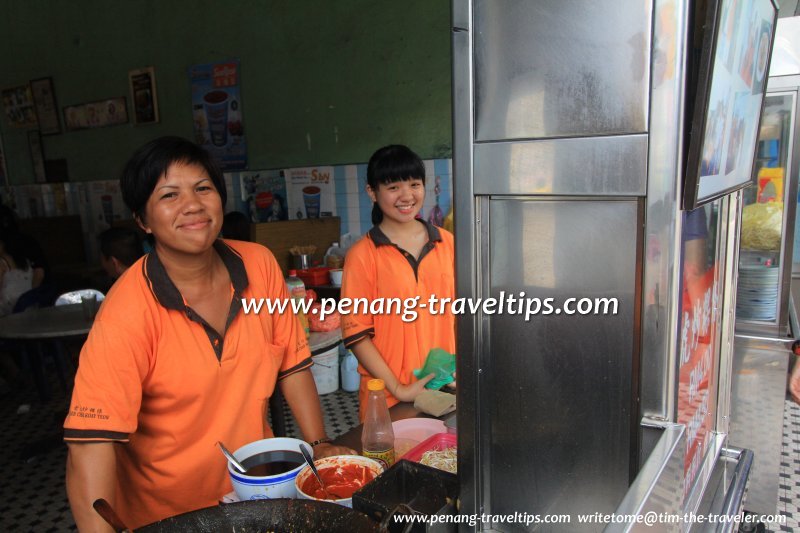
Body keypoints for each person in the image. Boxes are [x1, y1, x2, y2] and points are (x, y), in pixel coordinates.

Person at [64, 136, 350, 530]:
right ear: (143, 220)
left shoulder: (259, 265)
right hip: (169, 517)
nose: (193, 205)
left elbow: (293, 364)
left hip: (258, 495)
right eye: (169, 195)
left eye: (203, 188)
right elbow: (90, 446)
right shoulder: (126, 311)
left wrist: (319, 446)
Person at [341, 145, 456, 420]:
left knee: (445, 459)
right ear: (372, 192)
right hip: (390, 399)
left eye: (414, 184)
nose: (407, 196)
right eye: (393, 187)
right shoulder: (362, 255)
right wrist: (400, 389)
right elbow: (356, 334)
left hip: (446, 388)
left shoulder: (447, 243)